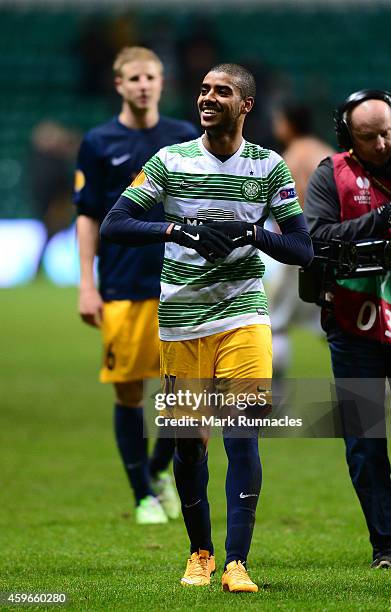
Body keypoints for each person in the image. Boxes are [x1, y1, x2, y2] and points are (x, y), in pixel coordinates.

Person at [101, 63, 313, 592]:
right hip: (179, 320)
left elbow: (302, 247)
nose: (208, 98)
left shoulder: (269, 168)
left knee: (241, 435)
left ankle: (237, 563)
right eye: (203, 90)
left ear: (246, 106)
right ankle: (200, 552)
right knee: (188, 444)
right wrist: (181, 227)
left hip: (243, 314)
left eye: (222, 91)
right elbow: (116, 224)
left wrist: (250, 231)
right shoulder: (170, 161)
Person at [73, 46, 199, 525]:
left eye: (151, 76)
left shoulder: (184, 137)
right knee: (129, 393)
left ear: (162, 82)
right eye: (135, 78)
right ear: (119, 84)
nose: (144, 84)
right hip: (123, 285)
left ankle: (158, 472)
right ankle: (143, 494)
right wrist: (88, 284)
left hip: (181, 284)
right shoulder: (99, 141)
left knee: (184, 395)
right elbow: (87, 217)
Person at [304, 89, 391, 569]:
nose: (381, 144)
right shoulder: (329, 174)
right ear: (347, 137)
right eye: (368, 136)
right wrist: (380, 221)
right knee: (364, 439)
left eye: (387, 133)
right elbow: (315, 237)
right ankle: (387, 545)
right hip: (353, 321)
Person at [268, 103, 335, 381]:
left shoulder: (292, 157)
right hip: (331, 245)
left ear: (289, 124)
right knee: (330, 319)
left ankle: (268, 393)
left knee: (275, 320)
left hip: (301, 245)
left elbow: (292, 209)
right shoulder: (327, 152)